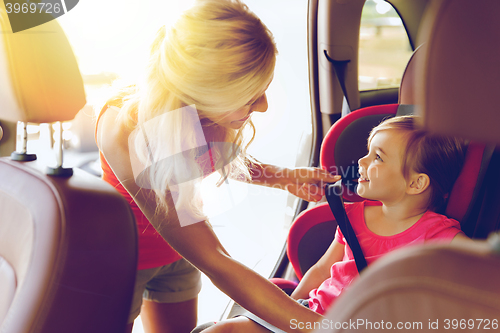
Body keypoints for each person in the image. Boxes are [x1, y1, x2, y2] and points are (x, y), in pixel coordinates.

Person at [95, 1, 338, 332]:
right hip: (124, 258)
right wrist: (324, 328)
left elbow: (213, 156)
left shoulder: (210, 114)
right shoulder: (125, 128)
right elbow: (216, 260)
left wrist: (282, 177)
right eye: (250, 97)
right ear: (205, 91)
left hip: (178, 255)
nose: (263, 107)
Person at [201, 115, 469, 332]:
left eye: (378, 157)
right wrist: (288, 310)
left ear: (416, 183)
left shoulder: (438, 235)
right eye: (368, 152)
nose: (362, 162)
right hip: (310, 315)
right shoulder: (353, 216)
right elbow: (320, 271)